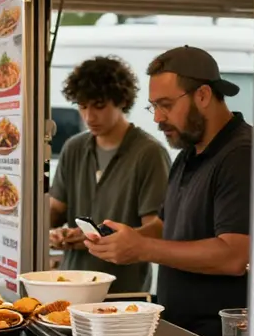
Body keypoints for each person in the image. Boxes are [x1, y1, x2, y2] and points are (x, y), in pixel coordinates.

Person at [86, 46, 252, 336]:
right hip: (179, 329)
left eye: (165, 105)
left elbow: (234, 255)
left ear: (202, 95)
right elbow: (167, 225)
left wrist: (141, 249)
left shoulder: (241, 155)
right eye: (154, 106)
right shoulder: (188, 152)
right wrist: (126, 238)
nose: (158, 118)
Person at [49, 55, 171, 295]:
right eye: (83, 106)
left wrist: (100, 237)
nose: (89, 117)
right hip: (73, 287)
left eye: (99, 106)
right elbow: (55, 210)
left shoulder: (149, 153)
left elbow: (157, 228)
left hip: (124, 292)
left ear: (121, 101)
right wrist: (54, 232)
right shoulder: (73, 148)